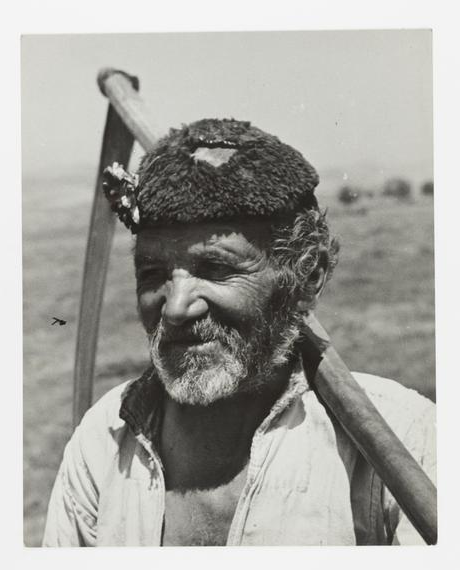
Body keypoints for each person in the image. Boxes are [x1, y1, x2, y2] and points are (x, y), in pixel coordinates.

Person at [43, 119, 435, 546]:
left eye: (217, 269)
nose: (175, 308)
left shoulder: (405, 443)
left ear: (307, 276)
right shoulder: (103, 440)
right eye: (153, 273)